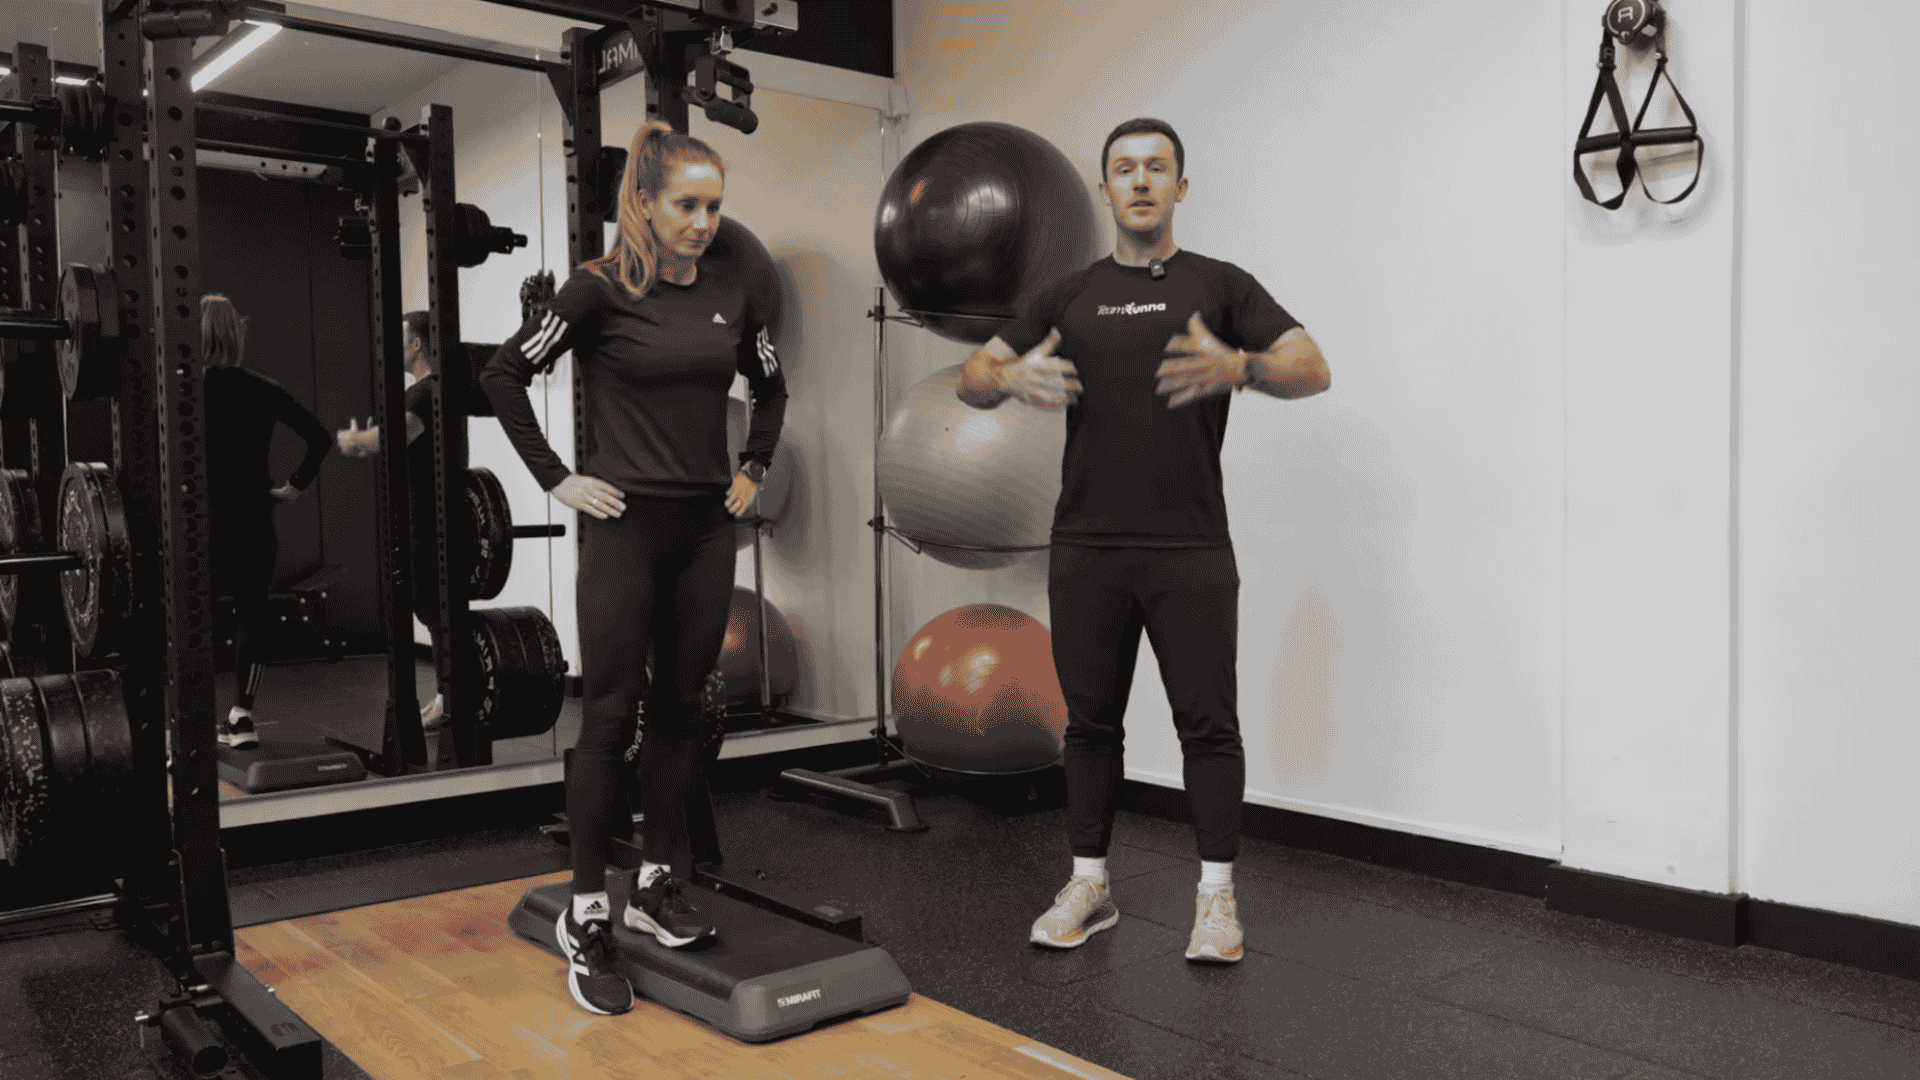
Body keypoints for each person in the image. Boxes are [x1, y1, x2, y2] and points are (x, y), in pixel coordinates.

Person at [955, 118, 1331, 963]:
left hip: (1190, 548)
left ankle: (1216, 900)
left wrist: (1244, 368)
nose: (1140, 181)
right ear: (1105, 187)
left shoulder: (1223, 285)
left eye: (1157, 167)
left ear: (1181, 187)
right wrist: (1009, 376)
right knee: (1089, 726)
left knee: (1209, 726)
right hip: (1087, 545)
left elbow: (1312, 367)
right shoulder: (1066, 294)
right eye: (1124, 168)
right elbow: (977, 378)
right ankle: (1090, 883)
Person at [480, 120, 787, 1017]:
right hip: (624, 528)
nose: (702, 221)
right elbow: (505, 375)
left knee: (683, 707)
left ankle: (655, 883)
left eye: (714, 206)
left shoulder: (734, 286)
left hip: (703, 528)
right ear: (644, 205)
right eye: (686, 205)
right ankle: (586, 911)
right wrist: (558, 480)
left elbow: (769, 387)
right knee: (609, 713)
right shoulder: (597, 291)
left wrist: (752, 469)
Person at [201, 294, 335, 750]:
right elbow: (320, 436)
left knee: (189, 618)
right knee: (251, 615)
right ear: (236, 335)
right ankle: (241, 717)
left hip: (201, 524)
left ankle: (192, 721)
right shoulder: (262, 388)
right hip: (253, 520)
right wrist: (295, 486)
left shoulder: (182, 391)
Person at [338, 310, 450, 729]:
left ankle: (449, 698)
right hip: (426, 515)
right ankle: (448, 696)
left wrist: (353, 440)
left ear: (417, 344)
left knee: (436, 612)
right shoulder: (430, 390)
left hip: (429, 520)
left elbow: (391, 437)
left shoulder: (424, 392)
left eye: (400, 338)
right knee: (434, 611)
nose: (393, 347)